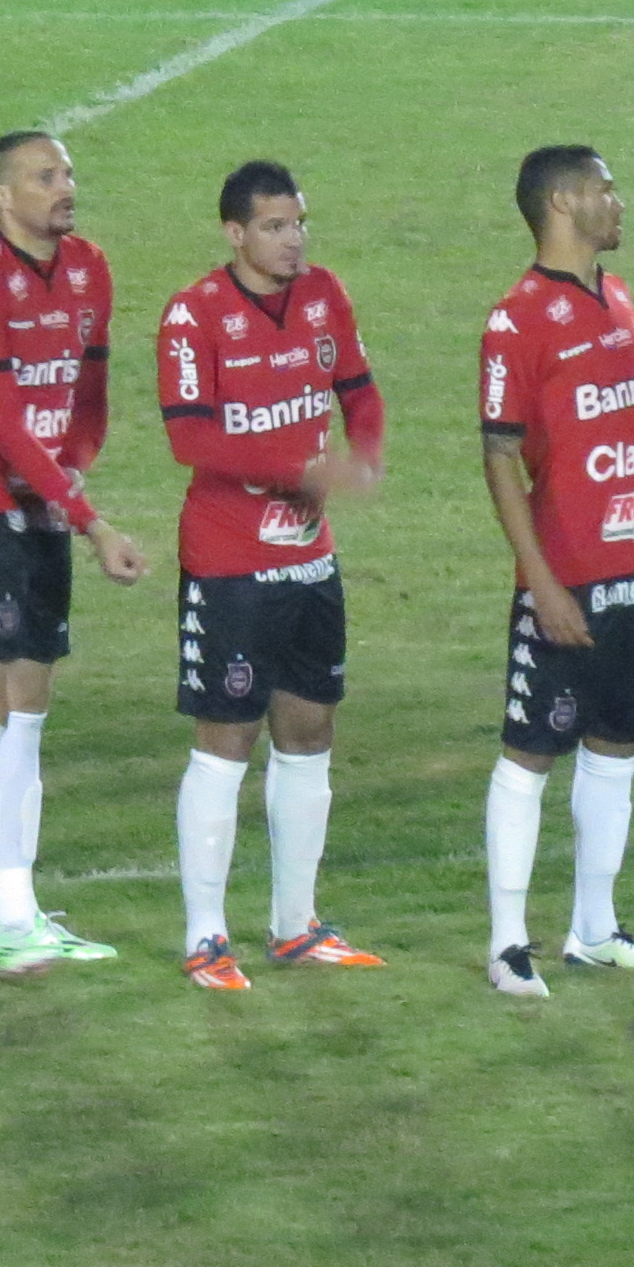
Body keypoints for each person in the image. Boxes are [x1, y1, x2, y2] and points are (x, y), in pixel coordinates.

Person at [0, 130, 151, 987]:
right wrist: (88, 517)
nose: (65, 186)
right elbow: (2, 419)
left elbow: (87, 397)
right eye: (44, 176)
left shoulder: (88, 267)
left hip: (46, 504)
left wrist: (74, 471)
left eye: (68, 173)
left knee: (27, 717)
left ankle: (20, 912)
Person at [157, 161, 387, 989]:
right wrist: (300, 463)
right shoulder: (194, 316)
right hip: (229, 563)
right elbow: (193, 440)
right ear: (235, 233)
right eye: (275, 227)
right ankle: (205, 937)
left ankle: (295, 923)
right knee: (227, 737)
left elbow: (357, 388)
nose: (293, 241)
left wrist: (360, 448)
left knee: (310, 729)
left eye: (298, 224)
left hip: (309, 560)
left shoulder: (324, 295)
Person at [475, 144, 634, 999]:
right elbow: (500, 456)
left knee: (617, 746)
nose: (618, 202)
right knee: (531, 752)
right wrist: (542, 581)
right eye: (604, 188)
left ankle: (593, 929)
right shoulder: (517, 319)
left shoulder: (617, 296)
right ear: (563, 202)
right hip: (565, 578)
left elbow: (626, 430)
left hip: (631, 566)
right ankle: (507, 942)